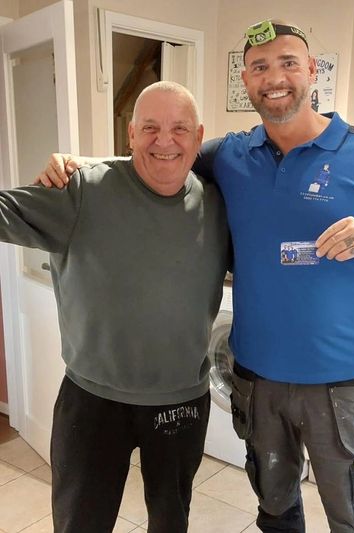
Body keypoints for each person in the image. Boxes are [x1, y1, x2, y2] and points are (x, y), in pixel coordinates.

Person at [37, 20, 354, 533]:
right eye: (259, 67)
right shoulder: (229, 155)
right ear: (246, 80)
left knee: (353, 523)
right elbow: (159, 156)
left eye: (288, 63)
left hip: (340, 384)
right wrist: (76, 165)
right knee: (277, 515)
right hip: (257, 381)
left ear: (312, 70)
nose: (275, 77)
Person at [0, 81, 230, 533]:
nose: (165, 141)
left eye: (179, 128)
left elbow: (273, 259)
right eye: (150, 128)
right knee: (81, 523)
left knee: (171, 521)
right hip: (92, 401)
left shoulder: (219, 205)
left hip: (181, 401)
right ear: (131, 133)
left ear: (199, 136)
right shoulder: (82, 189)